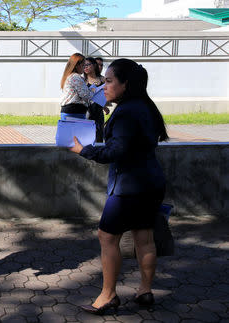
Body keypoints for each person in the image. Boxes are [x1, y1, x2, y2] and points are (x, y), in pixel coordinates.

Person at [70, 58, 168, 315]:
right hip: (151, 182)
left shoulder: (126, 112)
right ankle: (145, 291)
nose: (104, 86)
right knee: (144, 237)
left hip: (129, 188)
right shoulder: (144, 106)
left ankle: (108, 295)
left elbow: (116, 151)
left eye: (110, 81)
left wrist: (83, 150)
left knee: (107, 237)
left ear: (126, 84)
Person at [60, 53, 94, 120]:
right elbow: (86, 95)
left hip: (70, 111)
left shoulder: (68, 76)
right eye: (83, 65)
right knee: (77, 130)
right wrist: (93, 90)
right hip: (74, 112)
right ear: (76, 65)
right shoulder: (76, 77)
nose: (84, 67)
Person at [83, 57, 110, 142]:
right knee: (87, 138)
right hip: (87, 112)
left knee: (99, 137)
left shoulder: (103, 79)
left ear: (94, 66)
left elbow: (105, 95)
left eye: (87, 65)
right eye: (84, 65)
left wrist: (105, 106)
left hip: (99, 113)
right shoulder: (83, 80)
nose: (85, 67)